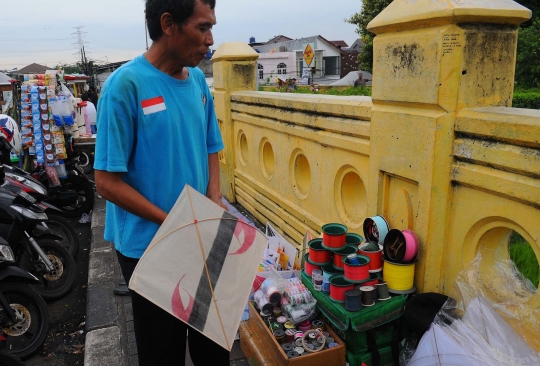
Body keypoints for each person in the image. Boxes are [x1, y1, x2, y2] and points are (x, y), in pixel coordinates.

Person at [94, 1, 228, 365]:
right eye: (202, 28)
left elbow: (210, 144)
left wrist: (214, 195)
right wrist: (172, 220)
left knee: (213, 342)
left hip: (200, 233)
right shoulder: (126, 86)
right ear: (169, 23)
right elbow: (106, 182)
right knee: (162, 350)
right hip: (149, 246)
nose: (210, 40)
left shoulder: (198, 79)